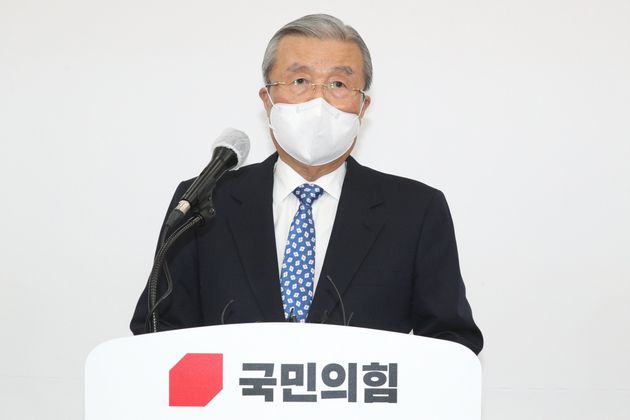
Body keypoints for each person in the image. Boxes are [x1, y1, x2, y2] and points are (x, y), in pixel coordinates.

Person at [130, 14, 483, 355]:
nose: (319, 100)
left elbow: (451, 342)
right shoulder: (203, 203)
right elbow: (158, 331)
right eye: (299, 81)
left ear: (362, 106)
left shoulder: (416, 212)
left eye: (338, 84)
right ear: (267, 100)